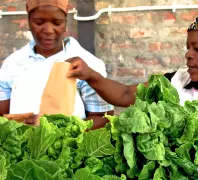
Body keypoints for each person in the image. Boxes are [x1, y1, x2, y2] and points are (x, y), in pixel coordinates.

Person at [67, 10, 198, 130]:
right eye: (188, 48)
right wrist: (90, 75)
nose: (188, 55)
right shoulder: (175, 83)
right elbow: (124, 94)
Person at [0, 0, 114, 129]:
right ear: (29, 21)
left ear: (65, 23)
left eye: (57, 23)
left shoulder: (87, 64)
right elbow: (2, 116)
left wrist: (58, 128)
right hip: (20, 148)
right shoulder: (12, 64)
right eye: (39, 22)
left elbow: (104, 118)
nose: (48, 30)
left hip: (69, 148)